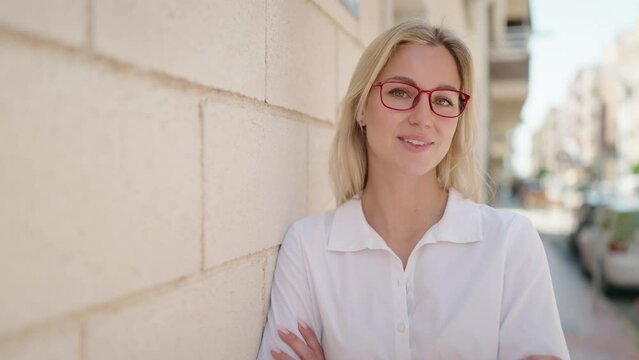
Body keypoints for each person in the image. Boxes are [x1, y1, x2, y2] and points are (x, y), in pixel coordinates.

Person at [257, 19, 569, 360]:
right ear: (362, 107)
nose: (423, 117)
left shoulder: (510, 244)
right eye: (400, 92)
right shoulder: (308, 248)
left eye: (445, 100)